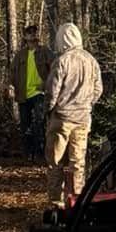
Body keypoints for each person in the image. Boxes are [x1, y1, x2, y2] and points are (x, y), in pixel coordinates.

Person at [42, 21, 103, 209]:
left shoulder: (62, 61)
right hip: (82, 119)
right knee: (78, 163)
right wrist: (86, 104)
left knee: (56, 162)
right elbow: (98, 89)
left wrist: (48, 110)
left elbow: (52, 92)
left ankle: (56, 202)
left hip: (61, 119)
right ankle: (77, 201)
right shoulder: (91, 60)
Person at [11, 23, 52, 157]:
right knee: (25, 125)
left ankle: (40, 152)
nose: (32, 34)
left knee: (39, 122)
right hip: (23, 94)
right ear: (25, 36)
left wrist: (46, 85)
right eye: (29, 32)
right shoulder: (20, 55)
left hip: (39, 93)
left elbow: (55, 70)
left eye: (34, 32)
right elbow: (12, 73)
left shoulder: (45, 51)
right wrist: (10, 86)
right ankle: (27, 153)